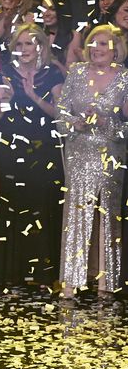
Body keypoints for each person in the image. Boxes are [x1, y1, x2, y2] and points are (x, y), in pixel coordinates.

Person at [0, 24, 64, 286]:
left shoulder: (52, 74)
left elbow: (60, 115)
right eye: (18, 45)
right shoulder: (6, 74)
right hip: (11, 146)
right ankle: (12, 270)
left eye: (28, 44)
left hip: (42, 149)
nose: (23, 50)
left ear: (40, 46)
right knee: (13, 203)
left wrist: (33, 96)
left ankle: (41, 271)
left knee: (39, 204)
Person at [56, 24, 128, 296]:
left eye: (103, 44)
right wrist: (76, 123)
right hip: (78, 152)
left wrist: (105, 122)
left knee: (107, 214)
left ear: (116, 50)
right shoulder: (75, 73)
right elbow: (60, 117)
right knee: (76, 212)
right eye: (93, 43)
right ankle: (71, 284)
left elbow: (126, 127)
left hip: (109, 153)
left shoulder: (124, 78)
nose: (97, 49)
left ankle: (105, 284)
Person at [38, 0, 79, 73]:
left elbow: (70, 75)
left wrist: (52, 61)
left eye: (52, 9)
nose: (46, 13)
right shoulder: (37, 35)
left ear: (62, 11)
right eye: (43, 9)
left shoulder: (73, 36)